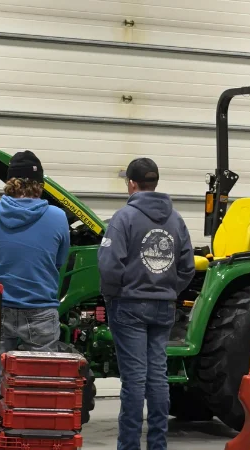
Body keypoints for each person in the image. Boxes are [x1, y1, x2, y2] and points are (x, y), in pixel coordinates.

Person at [0, 150, 71, 450]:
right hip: (41, 310)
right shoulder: (57, 216)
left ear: (9, 180)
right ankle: (35, 444)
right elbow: (60, 260)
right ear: (39, 183)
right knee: (39, 384)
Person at [97, 157, 195, 450]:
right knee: (157, 377)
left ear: (131, 183)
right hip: (163, 307)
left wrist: (114, 294)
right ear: (155, 182)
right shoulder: (176, 220)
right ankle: (157, 445)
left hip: (128, 306)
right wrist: (167, 289)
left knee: (134, 380)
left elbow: (109, 265)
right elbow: (187, 266)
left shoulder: (123, 218)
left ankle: (128, 446)